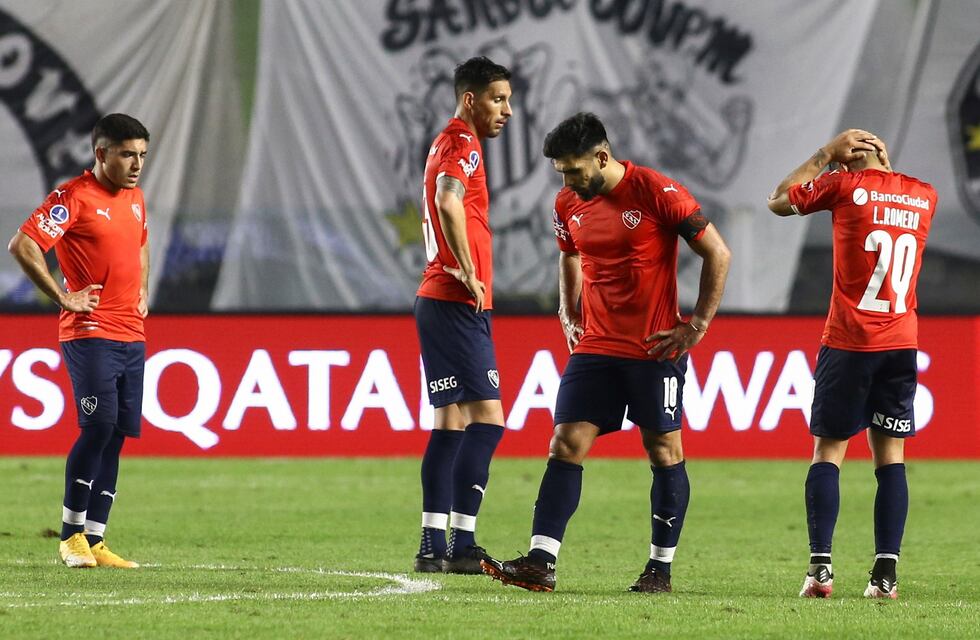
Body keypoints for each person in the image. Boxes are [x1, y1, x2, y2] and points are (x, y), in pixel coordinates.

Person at [481, 112, 731, 592]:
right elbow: (569, 253)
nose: (568, 182)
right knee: (565, 443)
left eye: (574, 171)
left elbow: (717, 252)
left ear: (601, 157)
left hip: (653, 347)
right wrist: (567, 309)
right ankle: (540, 562)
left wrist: (697, 325)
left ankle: (659, 569)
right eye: (561, 173)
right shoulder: (567, 202)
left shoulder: (657, 191)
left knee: (663, 450)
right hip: (596, 345)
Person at [767, 129, 937, 600]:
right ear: (884, 155)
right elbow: (888, 193)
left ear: (846, 162)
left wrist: (825, 154)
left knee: (828, 453)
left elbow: (778, 200)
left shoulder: (842, 186)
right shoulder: (925, 195)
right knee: (891, 459)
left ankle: (820, 570)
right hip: (901, 344)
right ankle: (885, 577)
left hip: (849, 342)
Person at [8, 113, 151, 569]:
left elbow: (140, 242)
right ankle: (70, 536)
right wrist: (63, 297)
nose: (136, 164)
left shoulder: (135, 198)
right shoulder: (73, 197)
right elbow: (23, 244)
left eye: (142, 155)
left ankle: (96, 539)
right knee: (98, 427)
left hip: (131, 332)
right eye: (127, 154)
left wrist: (143, 286)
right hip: (90, 332)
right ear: (101, 153)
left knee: (117, 435)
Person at [412, 57, 513, 574]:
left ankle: (433, 543)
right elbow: (448, 201)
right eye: (498, 99)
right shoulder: (463, 143)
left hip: (436, 300)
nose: (507, 110)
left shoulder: (442, 142)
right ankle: (463, 543)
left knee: (449, 423)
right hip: (455, 300)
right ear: (470, 99)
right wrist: (469, 271)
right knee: (488, 422)